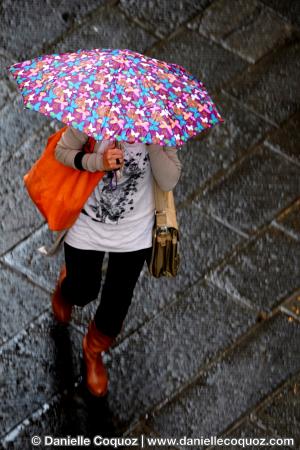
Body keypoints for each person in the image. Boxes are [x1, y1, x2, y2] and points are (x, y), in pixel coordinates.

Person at [51, 126, 182, 396]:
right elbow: (61, 152)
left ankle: (92, 351)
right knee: (83, 290)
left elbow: (169, 181)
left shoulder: (159, 126)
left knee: (115, 309)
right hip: (88, 224)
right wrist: (98, 162)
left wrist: (152, 141)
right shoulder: (94, 118)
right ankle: (67, 288)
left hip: (134, 234)